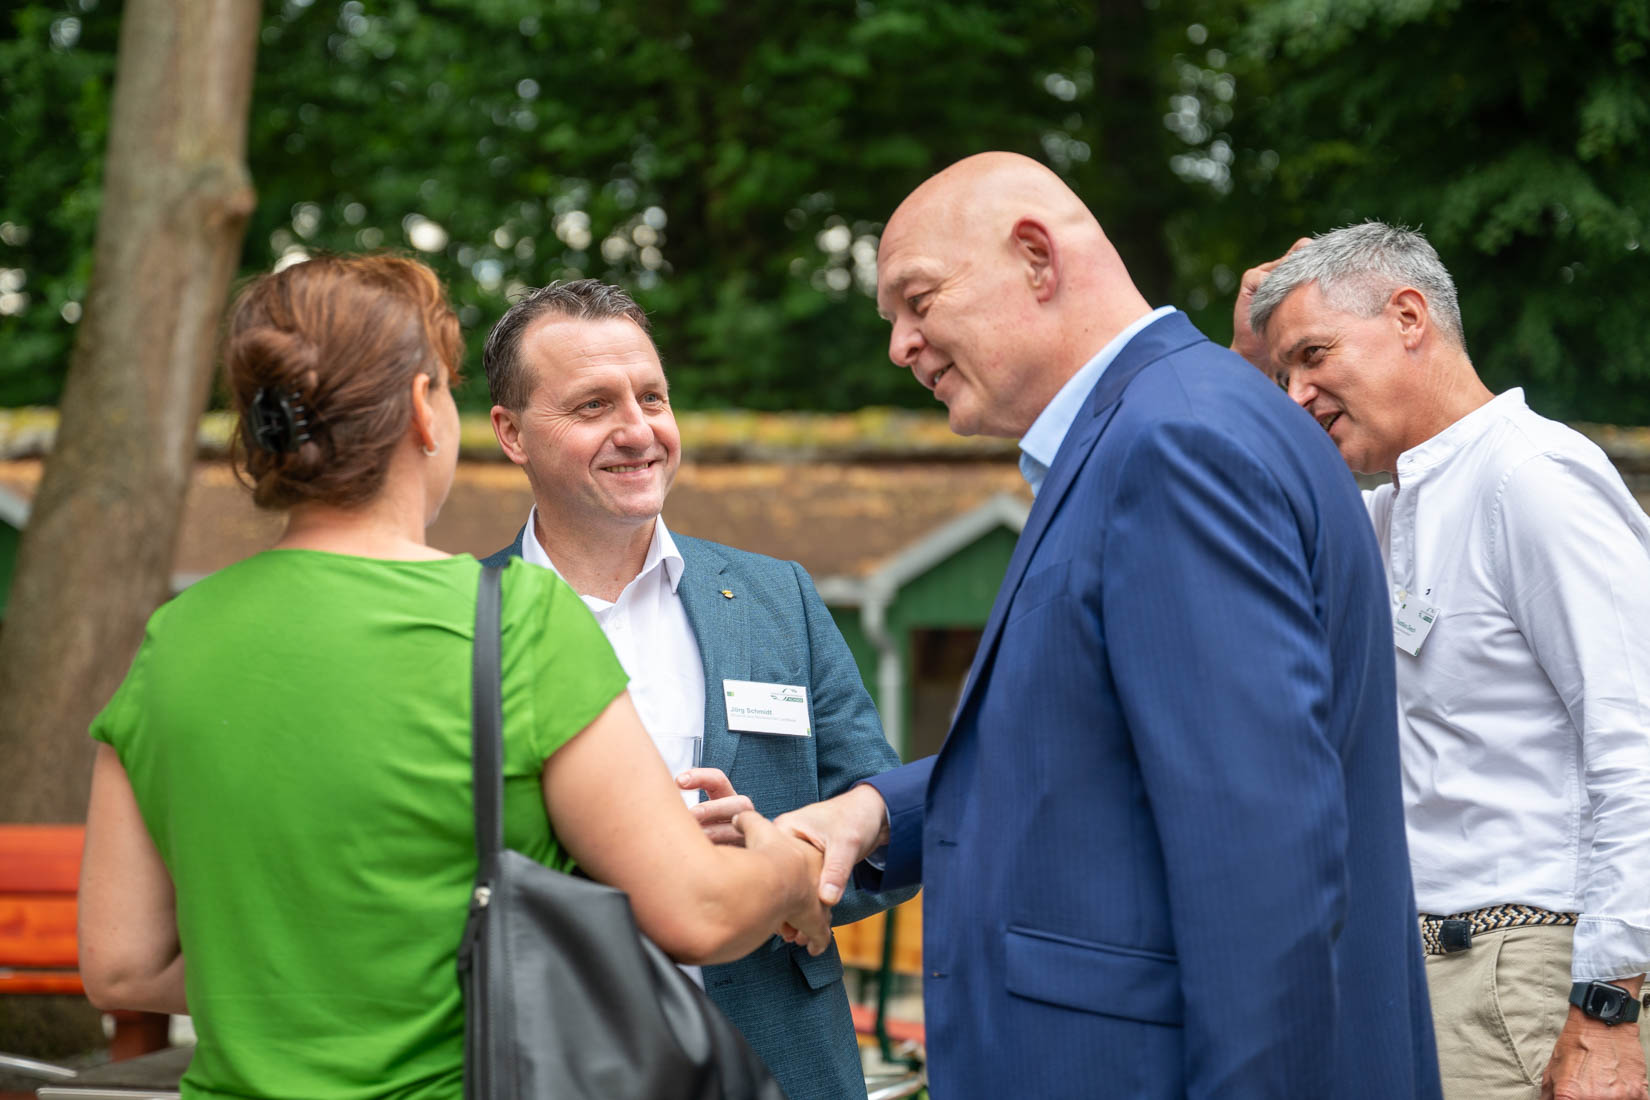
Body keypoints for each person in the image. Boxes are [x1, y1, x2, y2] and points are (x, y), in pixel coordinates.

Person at [76, 254, 832, 1100]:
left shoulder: (175, 639)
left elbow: (119, 965)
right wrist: (792, 872)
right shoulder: (513, 619)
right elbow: (699, 914)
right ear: (420, 411)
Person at [773, 151, 1442, 1099]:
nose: (901, 346)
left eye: (918, 301)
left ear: (1037, 260)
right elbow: (1096, 745)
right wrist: (879, 809)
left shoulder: (1174, 445)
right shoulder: (1171, 422)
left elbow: (1263, 867)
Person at [1235, 221, 1650, 1100]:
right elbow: (1236, 558)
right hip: (1428, 976)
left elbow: (1637, 742)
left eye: (1313, 355)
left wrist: (1613, 1002)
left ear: (1411, 316)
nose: (1296, 394)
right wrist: (1243, 367)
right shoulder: (1390, 512)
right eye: (1282, 376)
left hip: (1527, 979)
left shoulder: (1530, 477)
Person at [478, 278, 914, 1100]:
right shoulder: (463, 625)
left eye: (652, 397)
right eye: (593, 406)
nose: (638, 431)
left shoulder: (776, 598)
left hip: (778, 1055)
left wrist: (791, 864)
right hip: (542, 1061)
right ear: (512, 433)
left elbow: (879, 812)